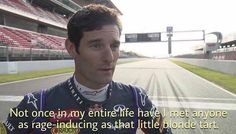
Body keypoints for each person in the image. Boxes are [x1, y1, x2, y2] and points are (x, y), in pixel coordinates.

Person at [1, 4, 172, 134]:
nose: (109, 57)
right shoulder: (35, 105)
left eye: (114, 46)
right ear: (72, 48)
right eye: (96, 45)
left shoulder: (137, 99)